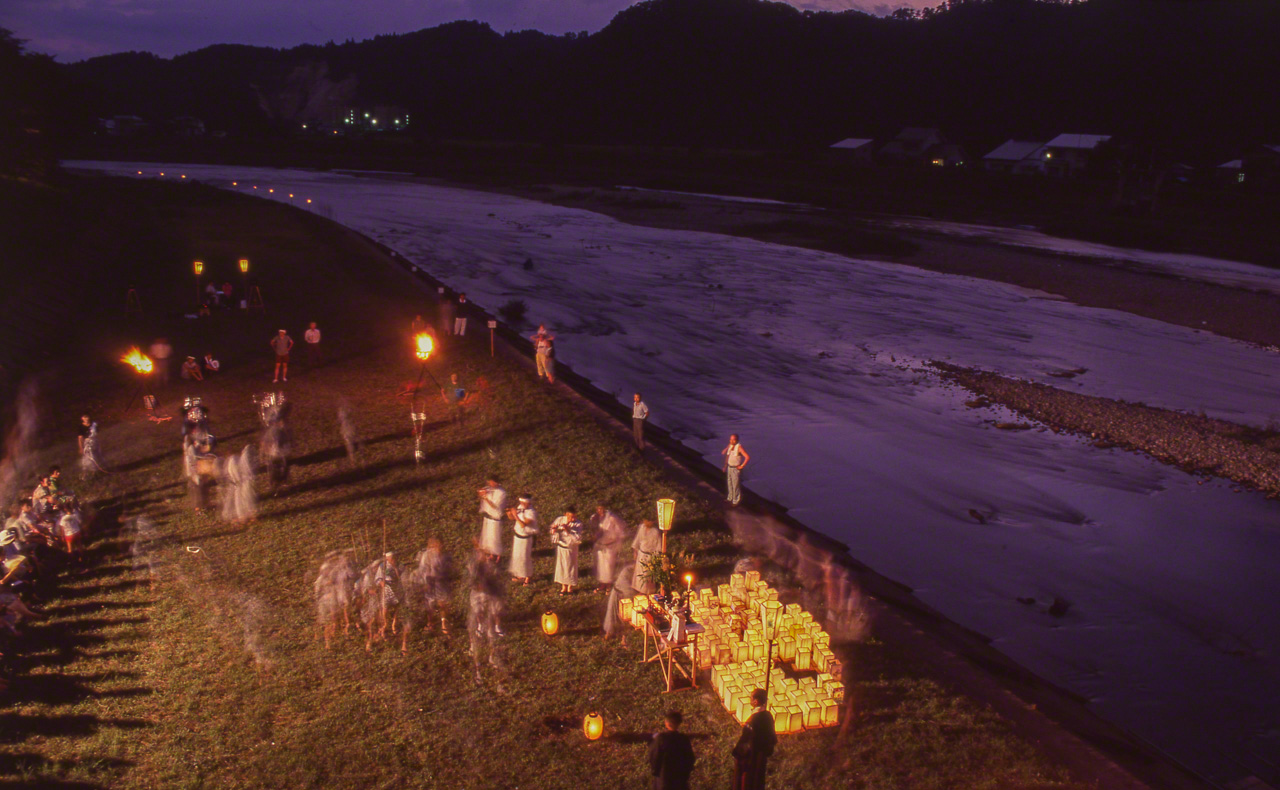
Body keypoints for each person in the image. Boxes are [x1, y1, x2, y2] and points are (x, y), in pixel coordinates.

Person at [467, 547, 506, 680]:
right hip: (478, 596)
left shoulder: (493, 566)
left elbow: (498, 580)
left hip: (490, 596)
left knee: (492, 626)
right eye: (486, 555)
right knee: (478, 614)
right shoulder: (475, 566)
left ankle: (492, 656)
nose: (489, 557)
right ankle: (476, 641)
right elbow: (472, 582)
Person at [731, 689, 776, 790]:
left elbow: (745, 741)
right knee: (758, 780)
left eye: (751, 698)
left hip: (751, 757)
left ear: (756, 701)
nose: (750, 700)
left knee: (747, 782)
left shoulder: (753, 721)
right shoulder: (768, 716)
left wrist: (738, 754)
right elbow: (772, 737)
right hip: (761, 756)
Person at [649, 710, 696, 790]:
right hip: (680, 781)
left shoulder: (660, 739)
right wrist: (686, 774)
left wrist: (655, 771)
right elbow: (690, 759)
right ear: (679, 723)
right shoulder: (684, 739)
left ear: (666, 723)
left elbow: (654, 756)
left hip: (663, 780)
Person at [589, 505, 628, 593]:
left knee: (608, 567)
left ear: (604, 508)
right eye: (598, 508)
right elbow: (592, 529)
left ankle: (609, 585)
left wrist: (614, 538)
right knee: (600, 566)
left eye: (601, 508)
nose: (600, 510)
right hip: (600, 545)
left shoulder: (612, 518)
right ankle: (602, 584)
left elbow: (620, 531)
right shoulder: (594, 518)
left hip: (610, 544)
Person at [549, 506, 583, 595]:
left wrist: (568, 530)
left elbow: (577, 539)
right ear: (565, 515)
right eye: (570, 516)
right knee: (562, 566)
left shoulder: (578, 524)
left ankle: (570, 587)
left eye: (574, 516)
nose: (572, 518)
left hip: (571, 548)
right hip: (561, 547)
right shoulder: (559, 520)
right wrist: (555, 529)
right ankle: (563, 587)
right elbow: (552, 530)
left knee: (570, 567)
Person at [508, 494, 537, 585]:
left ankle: (528, 577)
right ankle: (520, 574)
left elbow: (523, 524)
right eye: (521, 502)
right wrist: (510, 514)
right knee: (517, 556)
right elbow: (512, 518)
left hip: (526, 538)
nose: (522, 504)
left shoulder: (531, 513)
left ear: (529, 502)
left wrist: (515, 515)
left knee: (525, 557)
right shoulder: (520, 507)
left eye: (524, 502)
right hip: (517, 536)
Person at [604, 562, 636, 645]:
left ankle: (624, 638)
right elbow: (628, 589)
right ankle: (609, 632)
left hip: (629, 599)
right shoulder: (627, 571)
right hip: (619, 595)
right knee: (612, 616)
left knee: (626, 619)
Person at [632, 518, 663, 594]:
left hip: (650, 556)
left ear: (652, 521)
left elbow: (658, 546)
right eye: (645, 521)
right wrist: (635, 552)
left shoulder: (655, 532)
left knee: (647, 576)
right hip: (641, 554)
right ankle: (639, 591)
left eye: (648, 521)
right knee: (639, 575)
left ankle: (646, 593)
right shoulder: (641, 528)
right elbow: (637, 539)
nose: (646, 523)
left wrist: (656, 558)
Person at [477, 477, 507, 557]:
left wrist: (485, 497)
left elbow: (494, 506)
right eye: (490, 482)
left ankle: (496, 555)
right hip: (487, 517)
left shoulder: (502, 493)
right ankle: (489, 554)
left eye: (492, 482)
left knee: (494, 538)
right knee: (486, 538)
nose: (491, 484)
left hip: (495, 518)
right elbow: (480, 493)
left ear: (497, 482)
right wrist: (481, 493)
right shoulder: (488, 489)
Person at [721, 434, 750, 506]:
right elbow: (727, 455)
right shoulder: (730, 445)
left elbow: (747, 457)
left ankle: (735, 500)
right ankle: (730, 498)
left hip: (735, 469)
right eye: (730, 439)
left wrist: (742, 466)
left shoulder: (739, 447)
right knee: (729, 483)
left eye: (733, 439)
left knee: (735, 485)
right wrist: (725, 466)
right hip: (729, 467)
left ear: (737, 440)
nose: (731, 441)